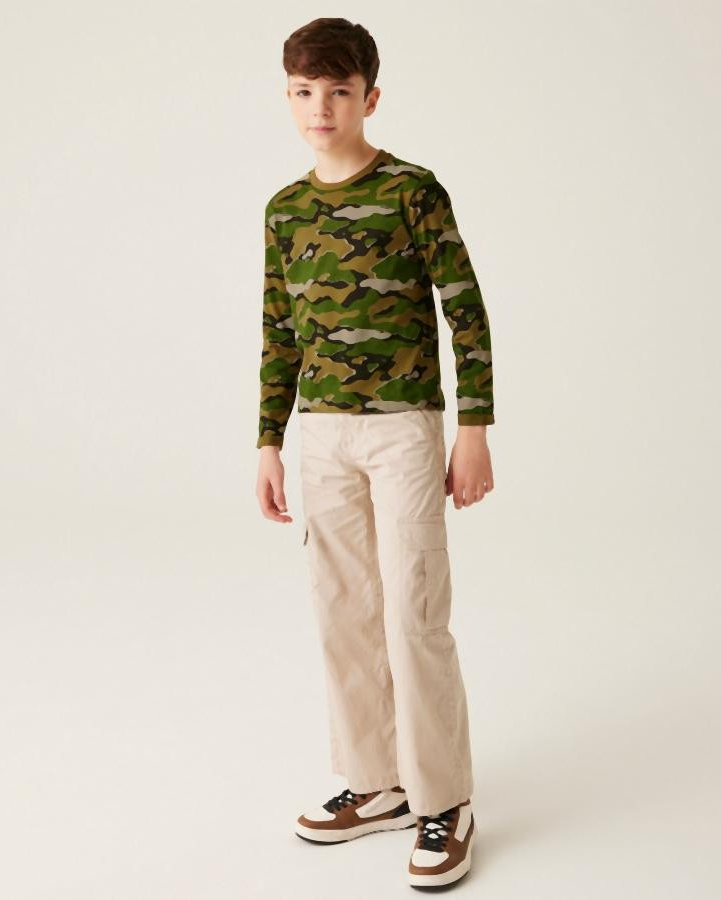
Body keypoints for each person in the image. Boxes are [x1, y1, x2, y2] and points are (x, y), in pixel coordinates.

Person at [254, 17, 495, 890]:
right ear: (287, 97)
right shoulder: (285, 211)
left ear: (370, 98)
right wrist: (268, 440)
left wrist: (473, 428)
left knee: (412, 615)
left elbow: (465, 311)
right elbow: (279, 331)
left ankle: (445, 800)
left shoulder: (411, 192)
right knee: (342, 611)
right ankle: (376, 782)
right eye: (304, 91)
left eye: (339, 91)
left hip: (402, 429)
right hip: (322, 435)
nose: (320, 107)